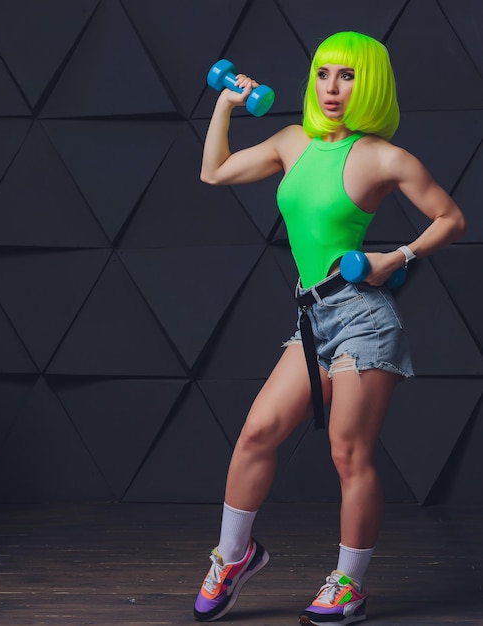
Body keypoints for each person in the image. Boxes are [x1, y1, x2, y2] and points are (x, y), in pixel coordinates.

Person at [193, 31, 466, 626]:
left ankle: (349, 584)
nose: (333, 87)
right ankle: (233, 558)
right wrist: (226, 104)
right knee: (257, 434)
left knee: (349, 454)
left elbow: (451, 218)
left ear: (368, 84)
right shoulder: (292, 142)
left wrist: (396, 259)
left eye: (347, 76)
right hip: (313, 318)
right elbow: (213, 172)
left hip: (364, 318)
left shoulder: (383, 157)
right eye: (324, 74)